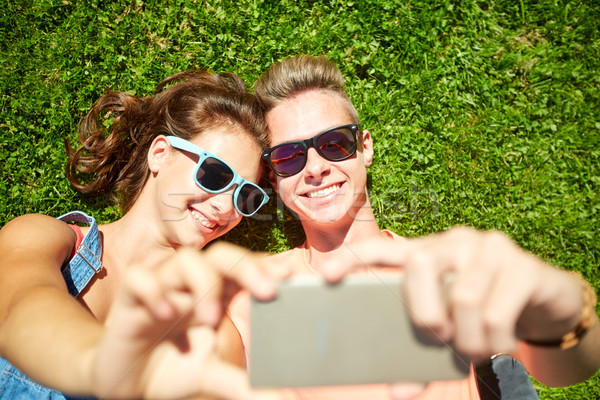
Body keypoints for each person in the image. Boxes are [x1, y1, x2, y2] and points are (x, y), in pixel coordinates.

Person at [229, 55, 600, 400]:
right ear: (274, 180)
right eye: (288, 156)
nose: (314, 168)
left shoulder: (446, 269)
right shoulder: (251, 295)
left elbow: (569, 370)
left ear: (365, 147)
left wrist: (559, 305)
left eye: (333, 143)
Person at [0, 70, 288, 400]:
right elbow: (18, 313)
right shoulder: (41, 237)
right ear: (160, 154)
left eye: (245, 195)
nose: (225, 207)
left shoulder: (216, 334)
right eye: (215, 174)